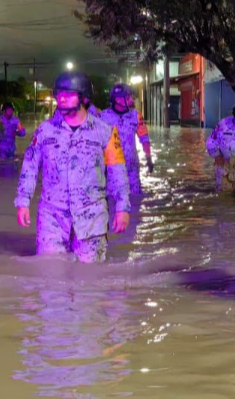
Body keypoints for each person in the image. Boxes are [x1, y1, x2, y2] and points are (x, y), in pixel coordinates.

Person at [15, 70, 131, 263]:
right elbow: (30, 166)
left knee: (89, 281)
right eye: (59, 93)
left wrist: (122, 208)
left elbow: (118, 172)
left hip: (92, 218)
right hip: (52, 217)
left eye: (68, 94)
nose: (61, 98)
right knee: (50, 274)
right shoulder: (45, 131)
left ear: (84, 97)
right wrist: (22, 201)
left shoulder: (106, 132)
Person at [99, 83, 154, 196]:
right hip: (110, 170)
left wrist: (149, 159)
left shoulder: (136, 116)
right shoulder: (102, 117)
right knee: (112, 201)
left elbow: (144, 139)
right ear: (118, 99)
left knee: (134, 201)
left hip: (132, 169)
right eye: (128, 96)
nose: (131, 99)